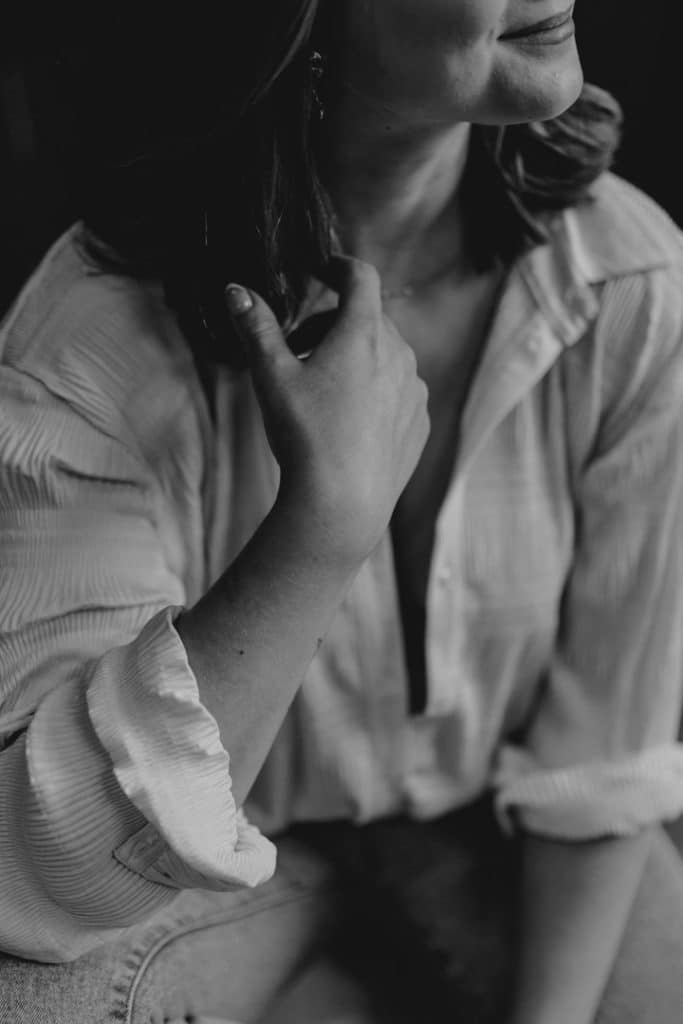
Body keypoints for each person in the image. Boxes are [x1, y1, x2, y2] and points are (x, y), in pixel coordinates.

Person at [2, 3, 683, 1022]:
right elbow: (42, 872)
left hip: (497, 837)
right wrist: (319, 529)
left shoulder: (629, 287)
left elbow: (599, 762)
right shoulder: (93, 336)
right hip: (224, 873)